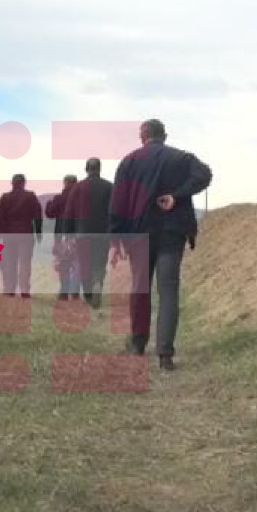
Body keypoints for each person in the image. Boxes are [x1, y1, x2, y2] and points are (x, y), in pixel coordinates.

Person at [109, 119, 212, 370]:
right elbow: (205, 174)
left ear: (142, 137)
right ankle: (165, 354)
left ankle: (138, 345)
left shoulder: (129, 162)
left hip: (138, 234)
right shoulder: (181, 158)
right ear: (164, 136)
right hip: (171, 233)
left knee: (140, 287)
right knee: (168, 290)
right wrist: (178, 195)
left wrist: (116, 237)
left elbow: (117, 203)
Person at [64, 157, 114, 308]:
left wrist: (68, 234)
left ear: (86, 169)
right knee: (99, 264)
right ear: (99, 169)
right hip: (103, 234)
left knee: (85, 265)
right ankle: (97, 283)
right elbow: (115, 211)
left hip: (82, 234)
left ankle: (88, 295)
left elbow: (69, 212)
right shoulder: (109, 187)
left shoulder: (77, 188)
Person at [0, 174, 43, 297]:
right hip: (26, 233)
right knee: (25, 262)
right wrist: (38, 232)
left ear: (12, 183)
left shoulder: (5, 197)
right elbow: (37, 216)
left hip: (9, 234)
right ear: (24, 183)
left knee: (10, 262)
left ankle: (10, 289)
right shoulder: (30, 196)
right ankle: (24, 289)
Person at [46, 175, 80, 301]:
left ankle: (64, 292)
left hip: (61, 235)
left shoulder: (59, 198)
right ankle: (75, 292)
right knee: (77, 263)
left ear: (64, 183)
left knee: (63, 264)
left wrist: (49, 204)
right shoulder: (81, 200)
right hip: (77, 234)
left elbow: (49, 213)